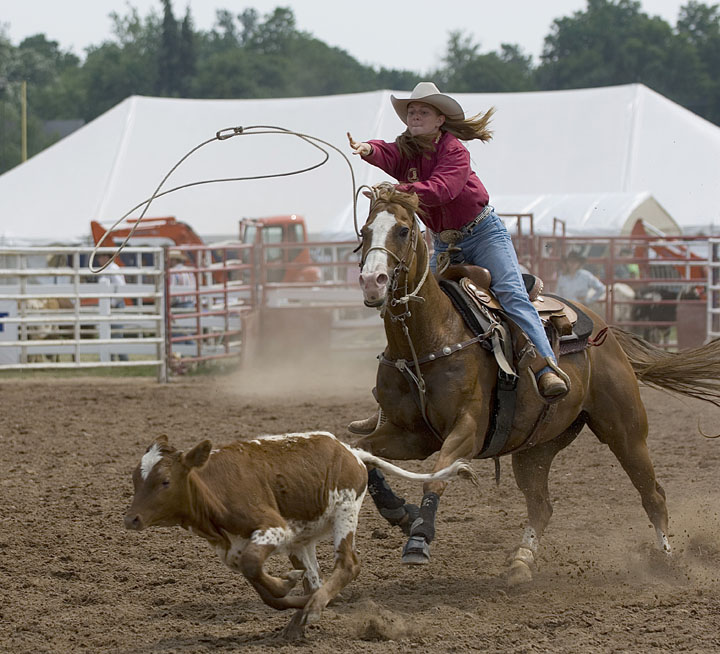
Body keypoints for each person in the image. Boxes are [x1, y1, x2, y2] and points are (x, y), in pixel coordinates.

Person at [346, 82, 568, 434]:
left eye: (422, 111)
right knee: (416, 304)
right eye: (411, 112)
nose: (415, 116)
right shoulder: (407, 149)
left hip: (482, 234)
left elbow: (442, 189)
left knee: (511, 292)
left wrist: (399, 189)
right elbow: (387, 153)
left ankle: (547, 368)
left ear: (439, 119)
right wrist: (367, 149)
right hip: (445, 242)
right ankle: (392, 405)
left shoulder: (455, 151)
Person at [96, 252, 128, 361]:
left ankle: (122, 359)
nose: (98, 260)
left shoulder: (112, 269)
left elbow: (120, 287)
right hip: (112, 304)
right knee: (112, 332)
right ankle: (113, 358)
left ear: (106, 257)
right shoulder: (109, 269)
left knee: (116, 333)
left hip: (115, 305)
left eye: (99, 257)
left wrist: (112, 303)